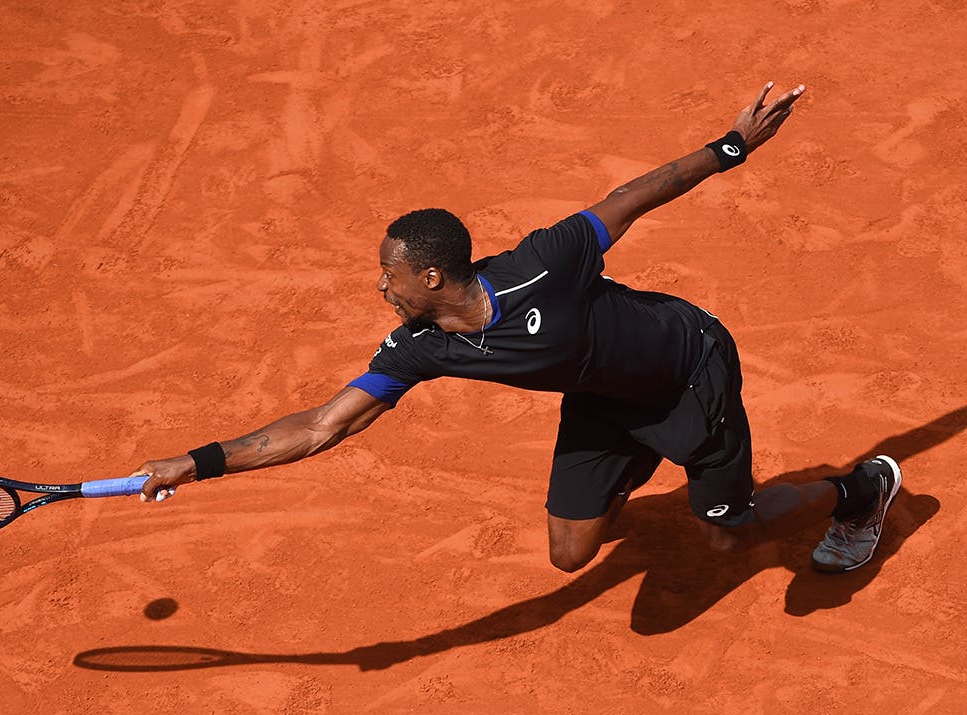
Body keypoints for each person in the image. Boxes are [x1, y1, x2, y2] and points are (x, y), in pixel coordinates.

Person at [132, 82, 902, 575]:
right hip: (602, 397)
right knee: (571, 554)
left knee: (728, 536)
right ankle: (634, 457)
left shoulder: (545, 263)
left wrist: (731, 146)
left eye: (390, 275)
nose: (380, 286)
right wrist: (200, 462)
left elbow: (634, 196)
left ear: (430, 277)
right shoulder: (419, 348)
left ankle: (858, 490)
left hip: (685, 371)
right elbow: (318, 428)